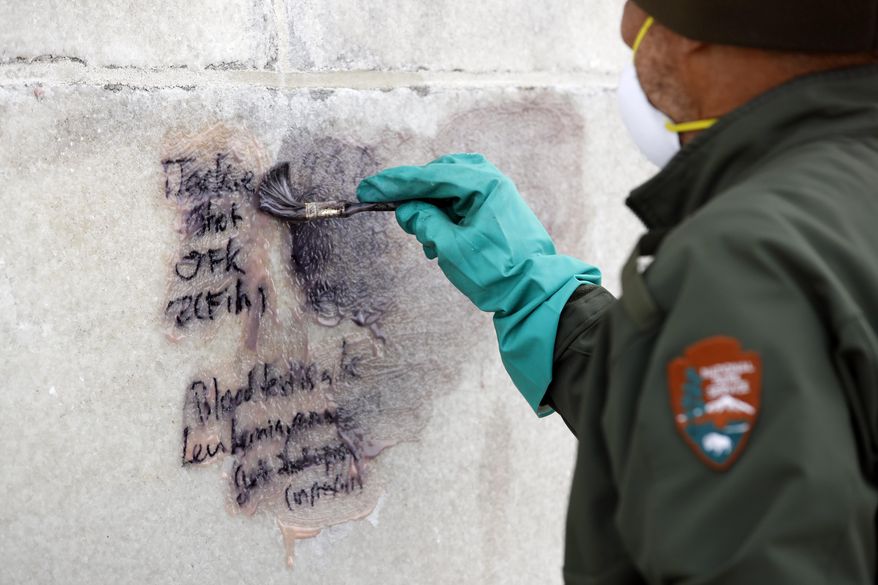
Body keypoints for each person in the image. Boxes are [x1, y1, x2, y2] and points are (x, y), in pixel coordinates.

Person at [357, 1, 878, 582]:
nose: (628, 31)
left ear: (701, 35)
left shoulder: (748, 257)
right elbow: (703, 439)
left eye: (640, 15)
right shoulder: (844, 202)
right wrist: (540, 296)